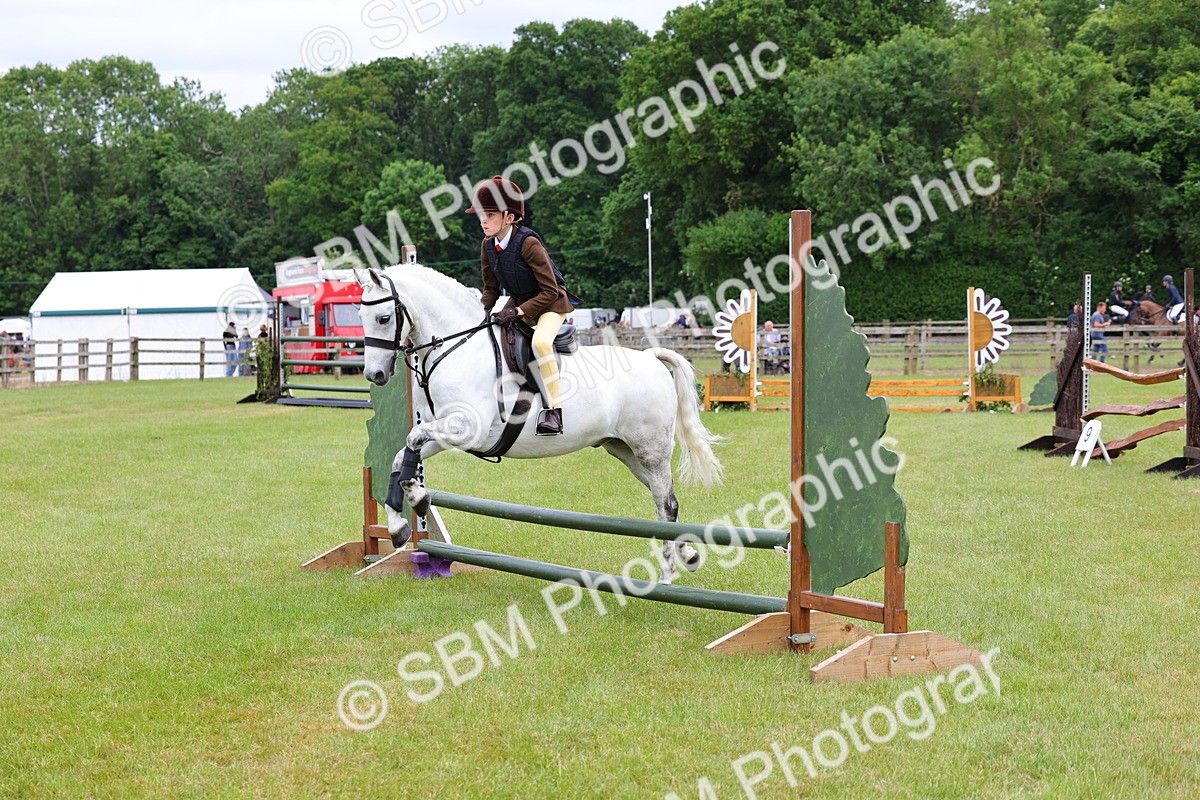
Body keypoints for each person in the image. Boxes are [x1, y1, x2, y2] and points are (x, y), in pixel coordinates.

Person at [469, 176, 575, 436]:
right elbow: (491, 290)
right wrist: (480, 317)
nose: (483, 220)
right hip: (520, 302)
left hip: (551, 304)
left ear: (509, 217)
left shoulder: (529, 243)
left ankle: (554, 411)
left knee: (540, 343)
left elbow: (549, 290)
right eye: (482, 214)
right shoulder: (488, 245)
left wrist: (518, 311)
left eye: (490, 214)